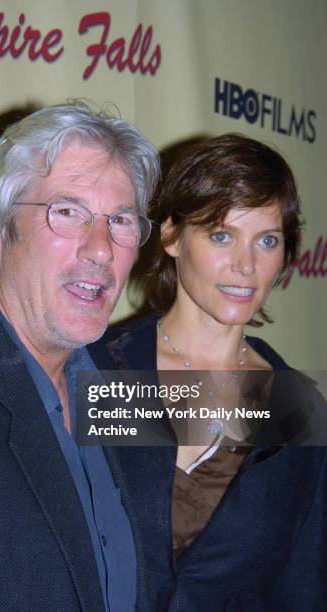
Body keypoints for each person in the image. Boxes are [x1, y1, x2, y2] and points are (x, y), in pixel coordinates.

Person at [0, 102, 160, 611]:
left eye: (119, 220)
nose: (101, 249)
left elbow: (266, 413)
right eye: (68, 212)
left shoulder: (112, 382)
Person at [89, 134, 327, 611]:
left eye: (267, 240)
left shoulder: (296, 410)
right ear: (172, 236)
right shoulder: (99, 368)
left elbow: (303, 589)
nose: (245, 265)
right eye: (221, 235)